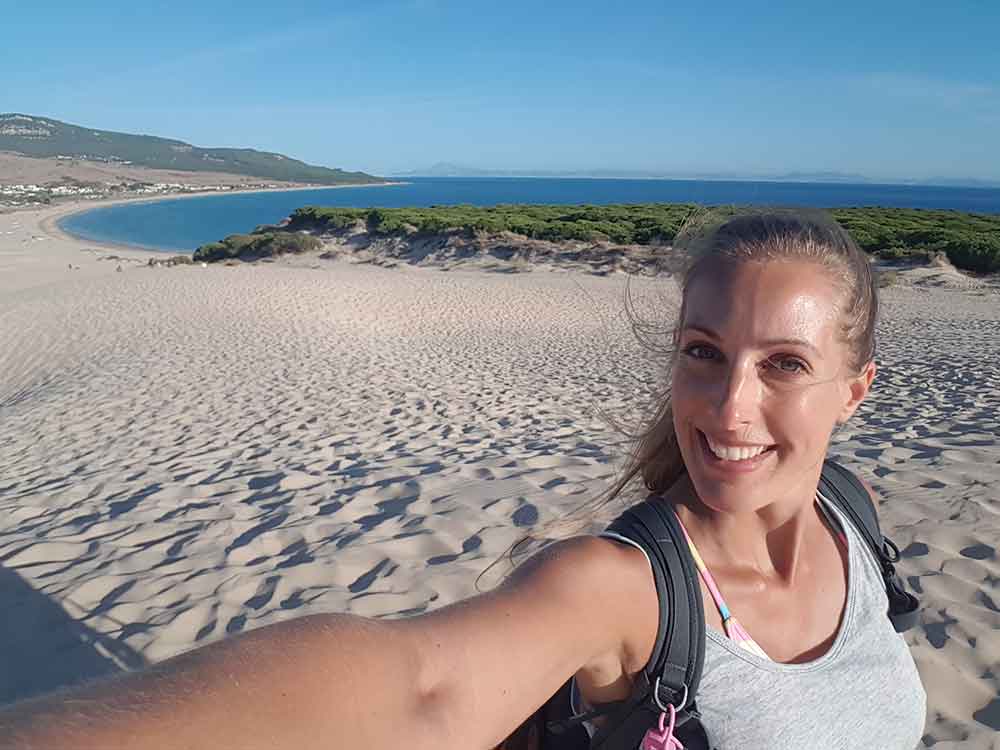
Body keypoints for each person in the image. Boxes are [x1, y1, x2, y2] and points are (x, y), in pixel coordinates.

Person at [0, 211, 926, 749]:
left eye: (785, 366)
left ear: (855, 389)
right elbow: (416, 685)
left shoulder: (854, 511)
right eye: (702, 351)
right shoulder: (622, 590)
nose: (728, 409)